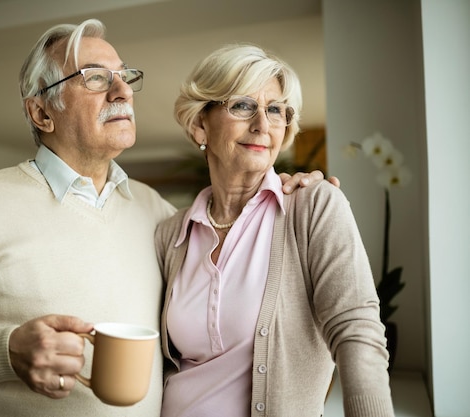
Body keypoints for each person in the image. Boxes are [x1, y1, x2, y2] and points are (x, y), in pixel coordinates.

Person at [0, 19, 331, 417]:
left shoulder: (159, 214)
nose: (122, 92)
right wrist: (7, 351)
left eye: (124, 77)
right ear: (41, 112)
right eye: (95, 79)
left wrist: (292, 192)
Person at [155, 43, 394, 417]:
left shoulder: (313, 205)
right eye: (242, 105)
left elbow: (356, 327)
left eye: (275, 110)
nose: (262, 125)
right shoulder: (171, 235)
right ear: (200, 123)